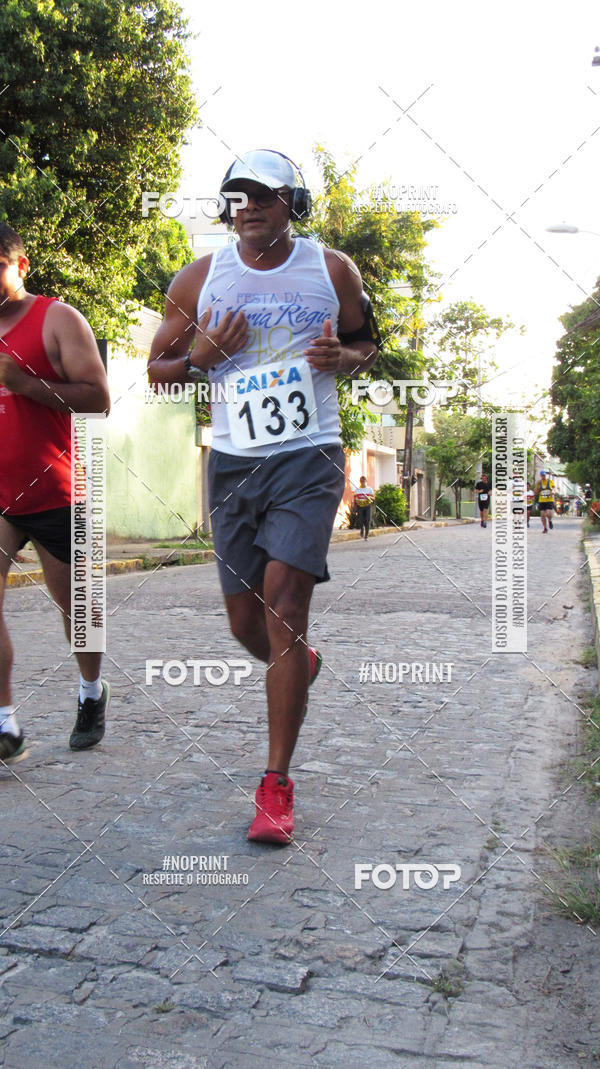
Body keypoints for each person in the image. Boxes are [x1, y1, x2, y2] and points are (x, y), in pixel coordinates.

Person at [148, 150, 381, 843]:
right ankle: (299, 664)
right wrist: (200, 361)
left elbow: (368, 342)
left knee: (285, 605)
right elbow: (157, 369)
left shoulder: (332, 269)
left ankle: (275, 785)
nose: (247, 207)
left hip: (309, 455)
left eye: (263, 195)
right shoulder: (198, 278)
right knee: (247, 625)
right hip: (232, 464)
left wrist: (345, 358)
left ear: (293, 204)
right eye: (236, 197)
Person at [0, 224, 111, 764]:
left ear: (21, 266)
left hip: (58, 492)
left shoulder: (58, 319)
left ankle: (91, 691)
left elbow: (98, 399)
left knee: (79, 614)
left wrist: (24, 385)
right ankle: (4, 722)